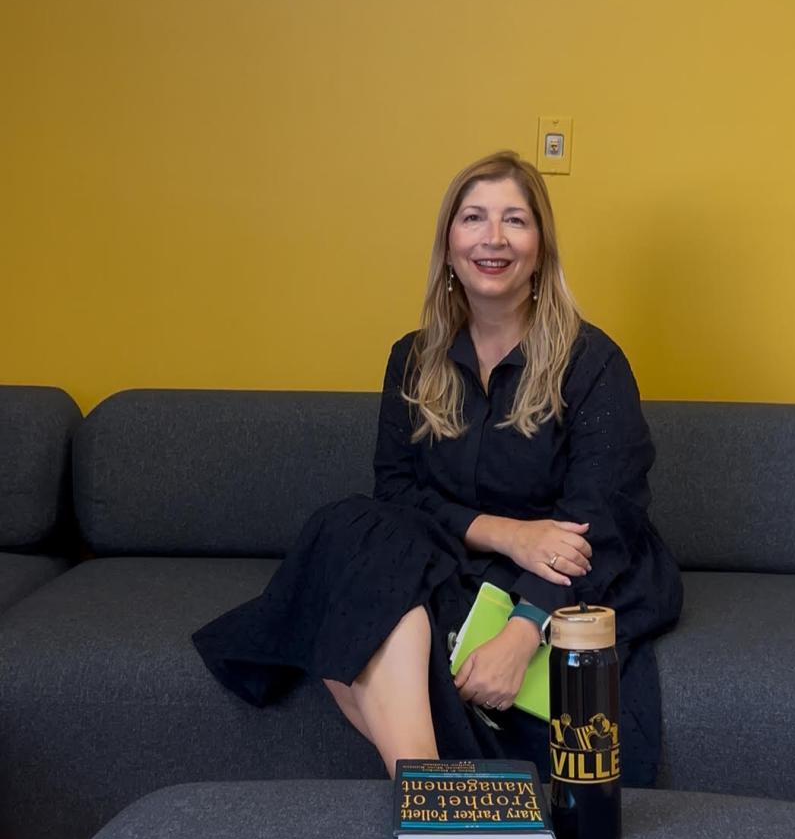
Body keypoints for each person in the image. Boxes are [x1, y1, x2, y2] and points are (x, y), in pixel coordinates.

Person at [191, 150, 683, 782]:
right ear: (449, 246)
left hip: (576, 573)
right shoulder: (413, 358)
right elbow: (396, 493)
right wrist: (506, 533)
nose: (493, 238)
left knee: (360, 595)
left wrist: (522, 632)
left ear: (541, 248)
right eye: (474, 218)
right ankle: (429, 785)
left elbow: (599, 521)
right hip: (460, 556)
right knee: (350, 526)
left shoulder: (592, 362)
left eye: (515, 220)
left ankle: (429, 793)